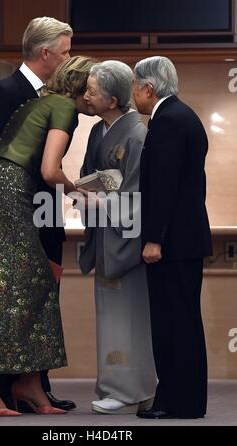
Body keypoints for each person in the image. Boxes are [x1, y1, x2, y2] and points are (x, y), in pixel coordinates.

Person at [0, 55, 95, 417]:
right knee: (18, 282)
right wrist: (79, 190)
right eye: (95, 87)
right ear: (82, 88)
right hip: (11, 187)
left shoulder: (40, 99)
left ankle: (27, 382)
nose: (99, 96)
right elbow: (49, 169)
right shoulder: (64, 108)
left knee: (28, 279)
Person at [0, 16, 75, 412]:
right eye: (66, 52)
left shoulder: (53, 95)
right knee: (14, 296)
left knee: (43, 298)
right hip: (17, 211)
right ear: (45, 53)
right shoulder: (7, 91)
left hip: (45, 211)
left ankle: (35, 385)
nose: (69, 60)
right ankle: (6, 386)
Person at [133, 56, 213, 419]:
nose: (133, 94)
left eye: (135, 87)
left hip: (172, 244)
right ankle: (187, 400)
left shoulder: (166, 122)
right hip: (186, 239)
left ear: (149, 89)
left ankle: (174, 402)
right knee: (184, 320)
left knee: (172, 323)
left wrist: (154, 239)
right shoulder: (185, 117)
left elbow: (163, 188)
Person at [77, 61, 156, 414]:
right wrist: (85, 193)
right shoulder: (97, 132)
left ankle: (132, 387)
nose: (86, 97)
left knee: (130, 318)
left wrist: (101, 198)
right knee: (109, 317)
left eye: (92, 91)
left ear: (112, 99)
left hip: (126, 236)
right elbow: (86, 174)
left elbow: (138, 195)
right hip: (104, 232)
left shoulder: (137, 135)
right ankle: (112, 384)